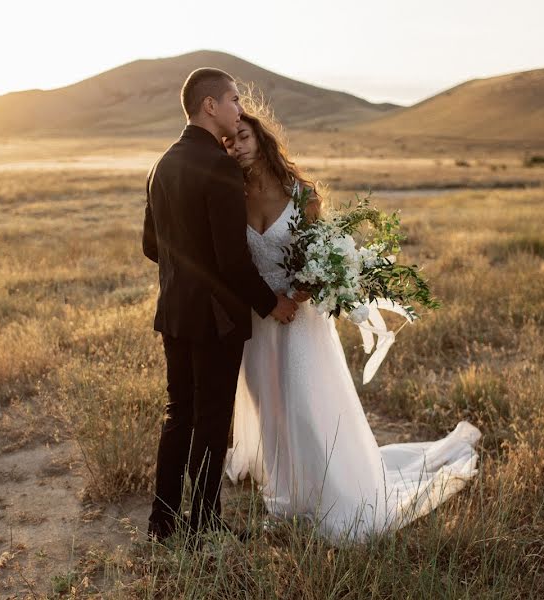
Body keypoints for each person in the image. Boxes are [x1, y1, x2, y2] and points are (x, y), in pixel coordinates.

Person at [223, 104, 482, 543]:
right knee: (269, 406)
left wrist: (306, 287)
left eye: (243, 137)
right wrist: (268, 300)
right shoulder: (230, 194)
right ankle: (286, 497)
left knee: (305, 403)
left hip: (299, 321)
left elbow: (323, 255)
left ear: (261, 137)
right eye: (228, 141)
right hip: (258, 317)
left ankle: (330, 490)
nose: (236, 147)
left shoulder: (302, 194)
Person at [142, 68, 298, 542]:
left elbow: (152, 246)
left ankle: (162, 521)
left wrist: (184, 272)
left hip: (174, 312)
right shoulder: (219, 166)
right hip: (216, 319)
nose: (239, 108)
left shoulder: (162, 163)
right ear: (210, 106)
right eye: (233, 99)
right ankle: (204, 523)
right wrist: (272, 304)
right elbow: (231, 262)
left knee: (179, 414)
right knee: (211, 421)